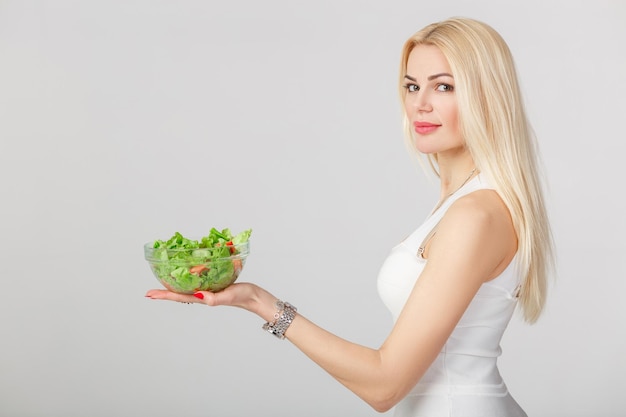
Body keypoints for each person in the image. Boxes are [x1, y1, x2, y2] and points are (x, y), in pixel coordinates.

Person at [146, 16, 554, 417]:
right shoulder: (462, 202)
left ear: (488, 96)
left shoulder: (475, 214)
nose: (420, 103)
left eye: (443, 86)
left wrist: (261, 303)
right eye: (412, 86)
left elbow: (384, 385)